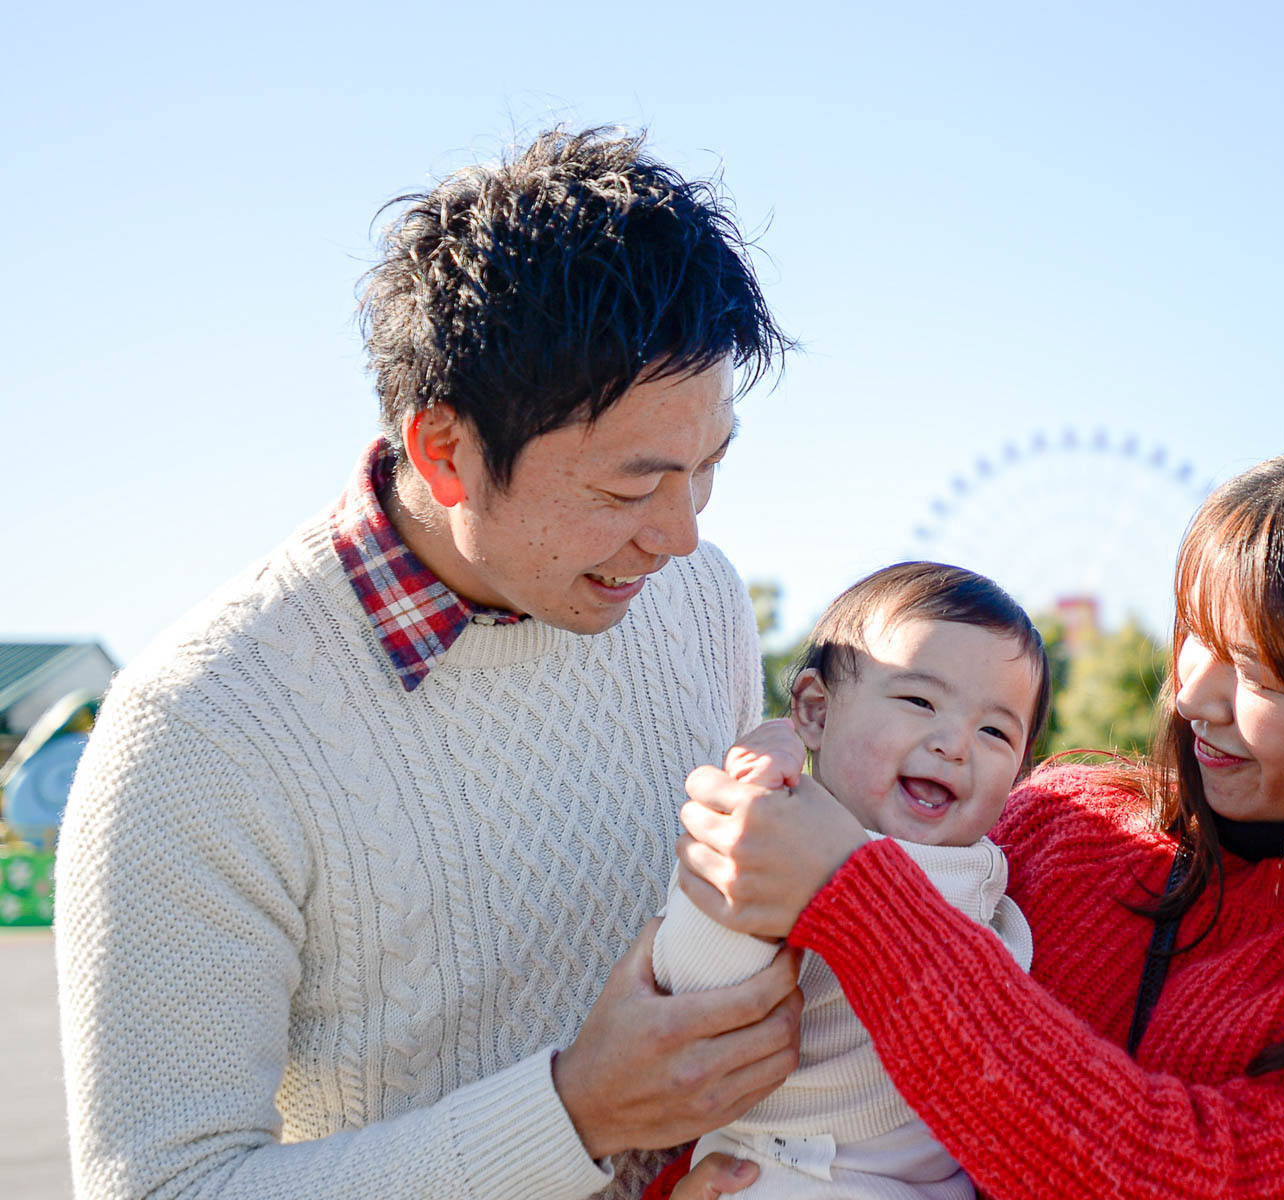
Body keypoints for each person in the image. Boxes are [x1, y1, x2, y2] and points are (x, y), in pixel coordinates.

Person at [56, 126, 804, 1200]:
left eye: (709, 467)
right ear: (443, 451)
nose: (680, 534)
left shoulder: (697, 601)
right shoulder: (201, 727)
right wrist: (572, 1114)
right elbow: (164, 1187)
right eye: (627, 488)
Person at [666, 431, 1284, 1199]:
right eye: (1193, 640)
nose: (1192, 696)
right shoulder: (1059, 823)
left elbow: (1149, 1172)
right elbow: (800, 1037)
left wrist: (856, 894)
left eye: (1258, 671)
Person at [651, 562, 1051, 1199]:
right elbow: (694, 985)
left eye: (995, 731)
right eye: (920, 701)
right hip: (783, 1171)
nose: (955, 744)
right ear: (816, 711)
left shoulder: (996, 878)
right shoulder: (777, 840)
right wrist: (747, 832)